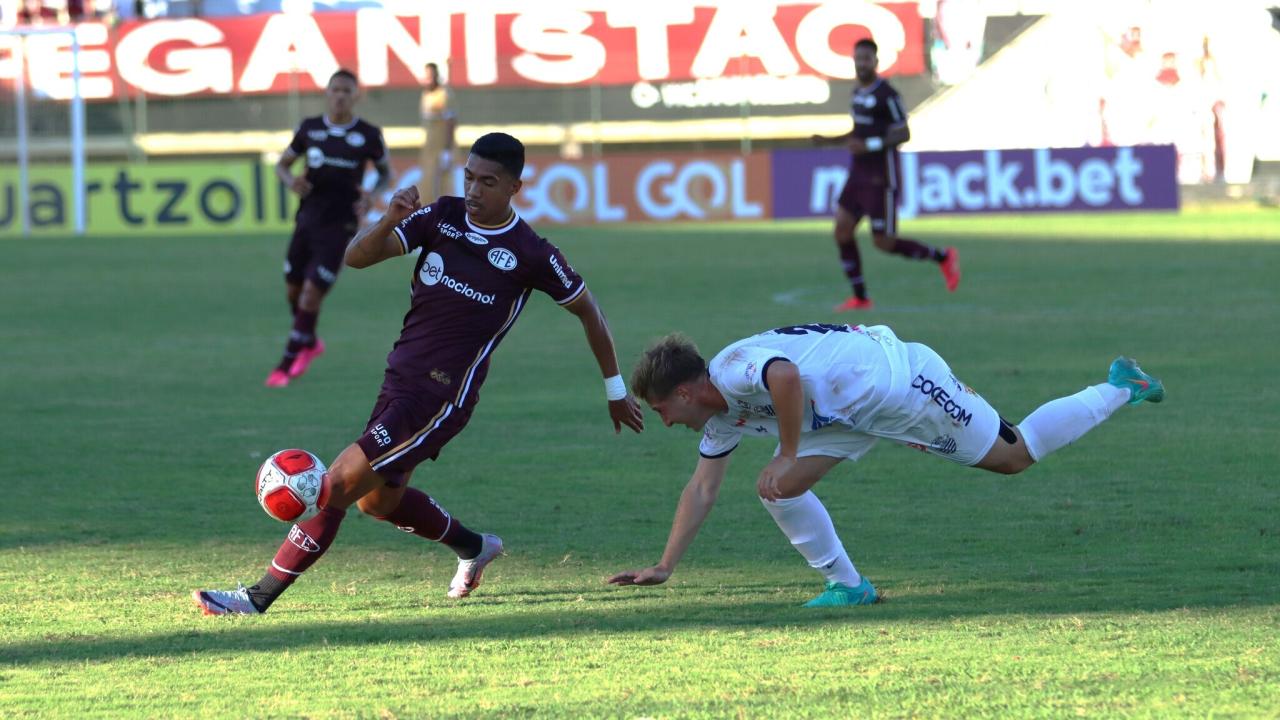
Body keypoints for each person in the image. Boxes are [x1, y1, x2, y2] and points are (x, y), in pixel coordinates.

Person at [195, 133, 645, 615]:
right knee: (379, 504)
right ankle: (475, 547)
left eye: (487, 182)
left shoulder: (531, 252)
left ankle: (257, 599)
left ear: (515, 185)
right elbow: (358, 257)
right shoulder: (441, 217)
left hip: (439, 398)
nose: (473, 190)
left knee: (336, 487)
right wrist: (389, 218)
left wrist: (615, 389)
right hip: (399, 381)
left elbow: (589, 311)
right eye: (469, 177)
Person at [607, 322, 1163, 606]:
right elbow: (702, 489)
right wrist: (665, 565)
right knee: (776, 487)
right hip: (849, 413)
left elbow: (786, 377)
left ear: (684, 392)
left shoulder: (730, 370)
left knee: (1014, 457)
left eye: (660, 410)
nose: (664, 421)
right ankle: (848, 587)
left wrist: (792, 450)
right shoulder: (720, 417)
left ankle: (1121, 387)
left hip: (898, 385)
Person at [266, 68, 393, 388]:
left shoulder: (368, 134)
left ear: (356, 96)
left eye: (346, 91)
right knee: (293, 290)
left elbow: (384, 174)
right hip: (307, 220)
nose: (340, 96)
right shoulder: (309, 129)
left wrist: (371, 198)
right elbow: (282, 165)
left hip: (341, 226)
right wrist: (290, 181)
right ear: (327, 92)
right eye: (335, 89)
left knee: (311, 294)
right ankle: (308, 339)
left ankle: (286, 363)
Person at [812, 38, 960, 312]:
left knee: (884, 242)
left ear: (876, 62)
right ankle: (861, 297)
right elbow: (858, 132)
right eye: (858, 58)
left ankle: (943, 257)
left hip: (882, 178)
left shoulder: (888, 95)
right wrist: (830, 140)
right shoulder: (857, 94)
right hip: (858, 174)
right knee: (842, 231)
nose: (861, 63)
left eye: (866, 58)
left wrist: (871, 145)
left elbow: (904, 132)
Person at [418, 62, 457, 204]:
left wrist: (447, 150)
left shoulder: (444, 94)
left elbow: (450, 122)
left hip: (441, 147)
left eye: (430, 76)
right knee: (427, 183)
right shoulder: (426, 94)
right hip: (429, 147)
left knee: (444, 184)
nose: (428, 79)